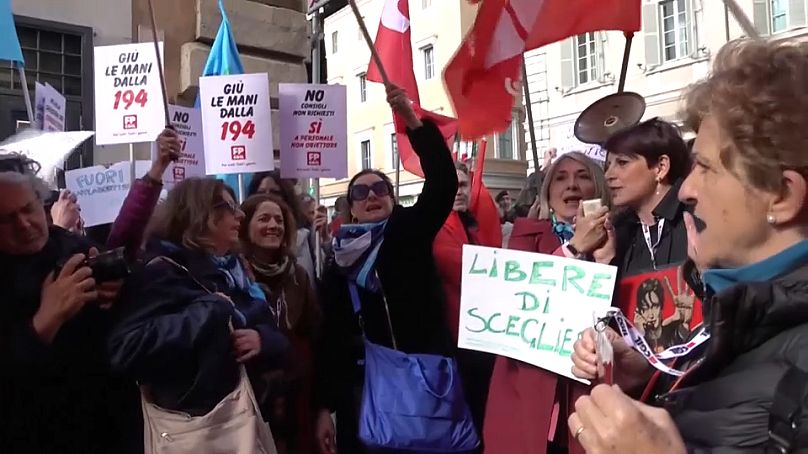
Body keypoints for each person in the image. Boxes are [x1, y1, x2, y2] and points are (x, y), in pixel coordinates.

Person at [569, 38, 808, 453]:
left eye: (706, 167)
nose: (686, 191)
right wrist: (652, 372)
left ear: (781, 195)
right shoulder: (747, 314)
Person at [314, 84, 458, 454]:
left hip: (423, 382)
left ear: (392, 199)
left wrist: (412, 122)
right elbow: (329, 338)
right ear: (350, 209)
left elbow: (443, 184)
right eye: (360, 193)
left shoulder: (409, 231)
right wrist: (323, 407)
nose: (371, 196)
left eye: (379, 189)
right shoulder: (337, 260)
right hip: (364, 394)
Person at [108, 178, 289, 417]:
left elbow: (277, 336)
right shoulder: (163, 271)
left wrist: (261, 339)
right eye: (230, 207)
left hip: (243, 416)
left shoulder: (235, 271)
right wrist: (208, 309)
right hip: (195, 423)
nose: (240, 215)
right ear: (201, 213)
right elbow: (127, 349)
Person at [0, 154, 140, 453]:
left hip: (108, 425)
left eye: (27, 209)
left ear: (42, 204)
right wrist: (44, 322)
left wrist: (120, 290)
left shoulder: (76, 248)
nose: (23, 224)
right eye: (6, 219)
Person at [484, 151, 611, 454]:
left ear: (598, 187)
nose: (572, 185)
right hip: (530, 387)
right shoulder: (526, 235)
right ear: (549, 193)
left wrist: (607, 261)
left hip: (588, 386)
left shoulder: (619, 236)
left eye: (582, 176)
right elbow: (520, 298)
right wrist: (574, 247)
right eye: (561, 178)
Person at [241, 193, 322, 454]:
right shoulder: (234, 275)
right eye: (264, 219)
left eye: (279, 220)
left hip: (295, 400)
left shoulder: (298, 275)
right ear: (245, 226)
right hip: (250, 402)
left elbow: (314, 336)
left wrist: (322, 407)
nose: (273, 225)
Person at [433, 161, 501, 448]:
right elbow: (470, 270)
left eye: (462, 185)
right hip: (458, 342)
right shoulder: (437, 228)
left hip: (480, 336)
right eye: (451, 185)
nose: (458, 191)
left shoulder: (470, 224)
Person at [600, 118, 692, 275]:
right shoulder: (617, 232)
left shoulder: (698, 215)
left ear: (661, 167)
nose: (608, 175)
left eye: (622, 163)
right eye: (608, 166)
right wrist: (605, 261)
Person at [248, 171, 322, 283]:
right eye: (261, 193)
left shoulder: (307, 234)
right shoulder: (241, 261)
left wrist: (325, 241)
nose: (268, 197)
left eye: (275, 193)